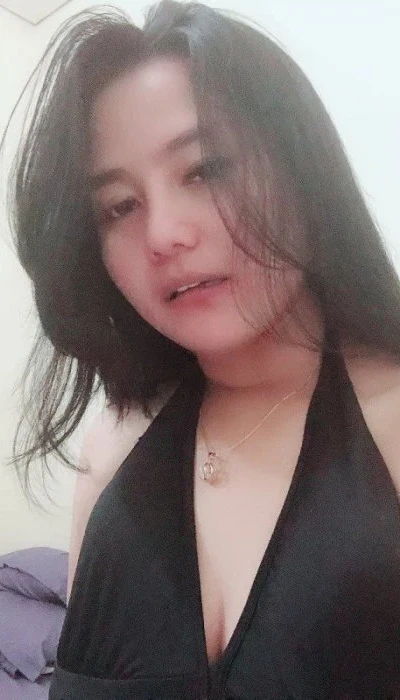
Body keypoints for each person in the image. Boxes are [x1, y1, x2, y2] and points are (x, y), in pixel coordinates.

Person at [6, 0, 400, 697]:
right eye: (119, 206)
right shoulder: (115, 444)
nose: (164, 235)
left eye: (204, 169)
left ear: (301, 165)